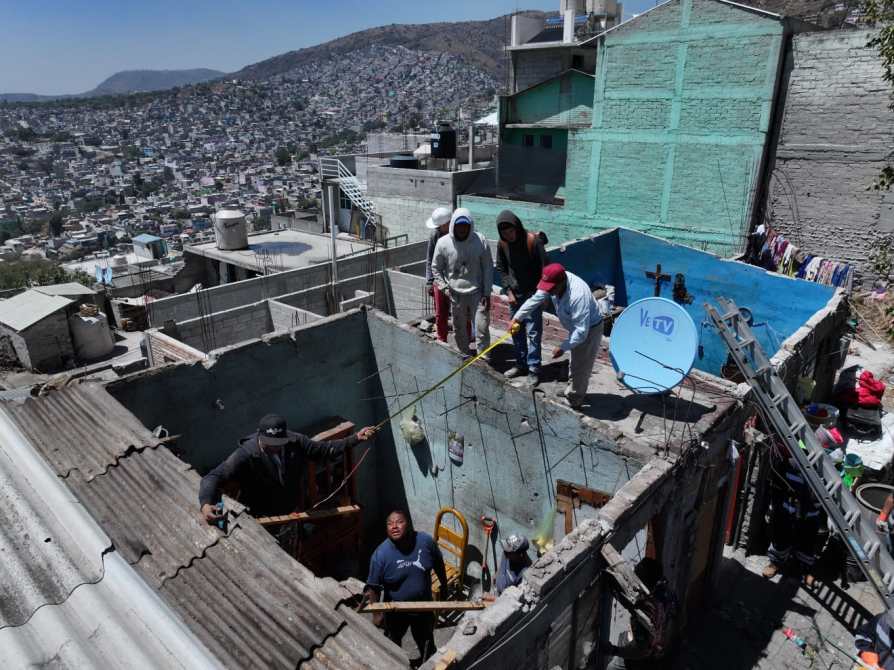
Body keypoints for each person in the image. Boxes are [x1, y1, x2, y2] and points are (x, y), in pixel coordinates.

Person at [198, 413, 376, 522]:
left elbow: (324, 450)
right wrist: (206, 505)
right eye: (270, 443)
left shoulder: (295, 441)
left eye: (279, 442)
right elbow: (212, 477)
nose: (275, 447)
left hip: (291, 513)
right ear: (259, 437)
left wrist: (356, 438)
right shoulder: (246, 454)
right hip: (262, 519)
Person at [510, 263, 603, 409]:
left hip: (589, 330)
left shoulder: (578, 295)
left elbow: (581, 332)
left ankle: (574, 401)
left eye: (552, 288)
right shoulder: (553, 284)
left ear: (562, 282)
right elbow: (535, 299)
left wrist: (563, 347)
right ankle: (571, 391)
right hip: (576, 328)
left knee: (581, 367)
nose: (550, 291)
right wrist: (517, 318)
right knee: (574, 362)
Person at [364, 510, 448, 664]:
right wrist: (377, 615)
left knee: (427, 647)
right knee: (392, 648)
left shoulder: (426, 542)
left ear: (408, 524)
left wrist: (444, 587)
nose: (394, 526)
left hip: (424, 608)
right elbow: (373, 588)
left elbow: (438, 563)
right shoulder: (380, 555)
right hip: (395, 612)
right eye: (390, 523)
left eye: (399, 522)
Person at [431, 208, 494, 359]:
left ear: (470, 225)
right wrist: (445, 288)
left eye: (465, 225)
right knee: (459, 328)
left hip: (477, 293)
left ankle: (484, 358)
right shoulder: (443, 243)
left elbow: (487, 267)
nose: (462, 229)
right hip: (455, 294)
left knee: (481, 327)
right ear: (453, 225)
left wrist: (487, 292)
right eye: (459, 225)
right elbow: (436, 268)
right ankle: (464, 355)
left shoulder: (480, 241)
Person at [495, 210, 548, 386]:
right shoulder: (502, 244)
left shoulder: (533, 241)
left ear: (517, 227)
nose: (509, 236)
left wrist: (540, 295)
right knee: (516, 331)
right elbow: (502, 268)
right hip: (515, 296)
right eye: (504, 233)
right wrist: (508, 290)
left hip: (532, 294)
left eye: (511, 231)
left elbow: (545, 269)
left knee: (533, 333)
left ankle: (534, 369)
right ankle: (521, 364)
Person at [762, 438, 824, 586]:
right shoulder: (788, 464)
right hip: (788, 508)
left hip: (809, 512)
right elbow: (779, 486)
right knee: (781, 536)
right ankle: (775, 562)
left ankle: (805, 569)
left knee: (807, 541)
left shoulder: (822, 468)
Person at [425, 207, 453, 343]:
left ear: (447, 224)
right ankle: (442, 338)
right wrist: (429, 281)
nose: (437, 228)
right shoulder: (435, 235)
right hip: (439, 279)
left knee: (463, 312)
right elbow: (430, 259)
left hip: (456, 279)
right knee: (440, 312)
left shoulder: (458, 233)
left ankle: (467, 338)